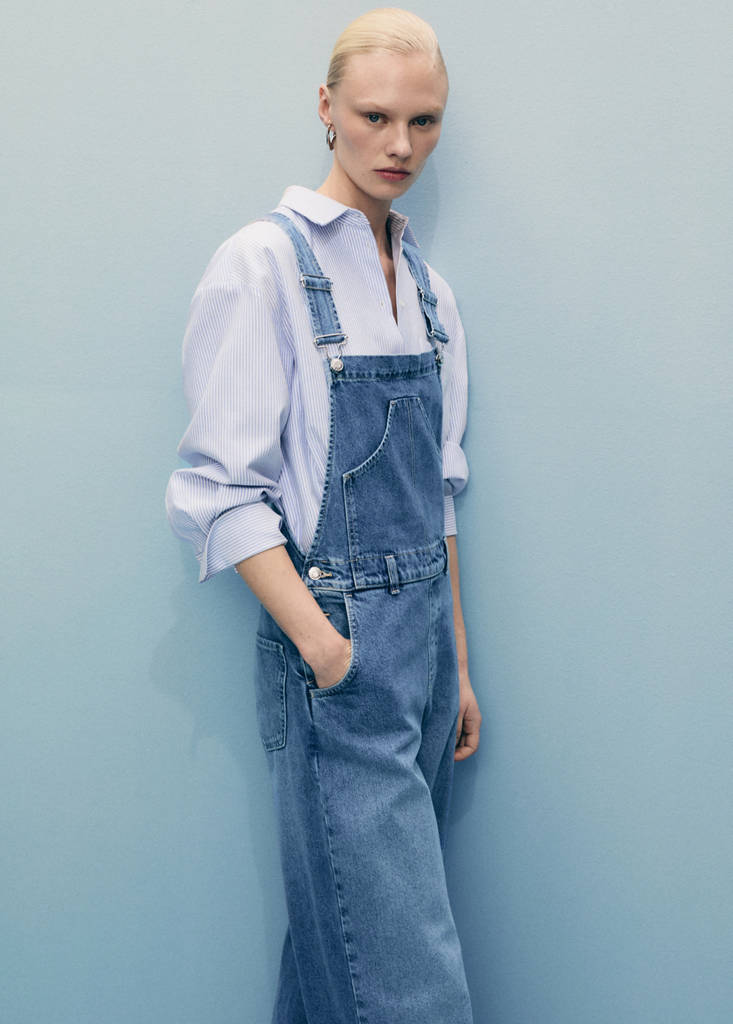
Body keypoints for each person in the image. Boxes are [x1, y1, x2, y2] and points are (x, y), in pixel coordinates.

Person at [165, 8, 481, 1022]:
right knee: (405, 989)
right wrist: (327, 652)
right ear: (326, 108)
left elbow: (438, 490)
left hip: (424, 655)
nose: (400, 145)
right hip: (338, 651)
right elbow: (219, 490)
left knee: (337, 958)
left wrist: (455, 664)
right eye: (375, 116)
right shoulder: (261, 262)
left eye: (423, 121)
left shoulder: (429, 290)